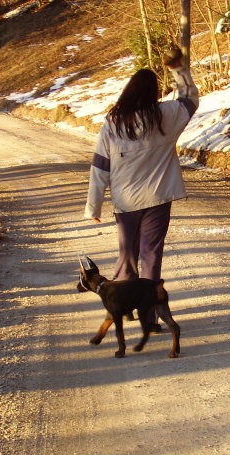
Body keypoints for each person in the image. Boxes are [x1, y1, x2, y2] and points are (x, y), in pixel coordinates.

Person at [84, 47, 198, 328]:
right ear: (153, 93)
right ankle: (149, 319)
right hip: (158, 200)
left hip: (126, 202)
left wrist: (93, 205)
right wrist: (177, 68)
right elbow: (190, 99)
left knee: (127, 257)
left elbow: (100, 166)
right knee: (151, 258)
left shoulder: (112, 123)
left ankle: (121, 309)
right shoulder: (165, 116)